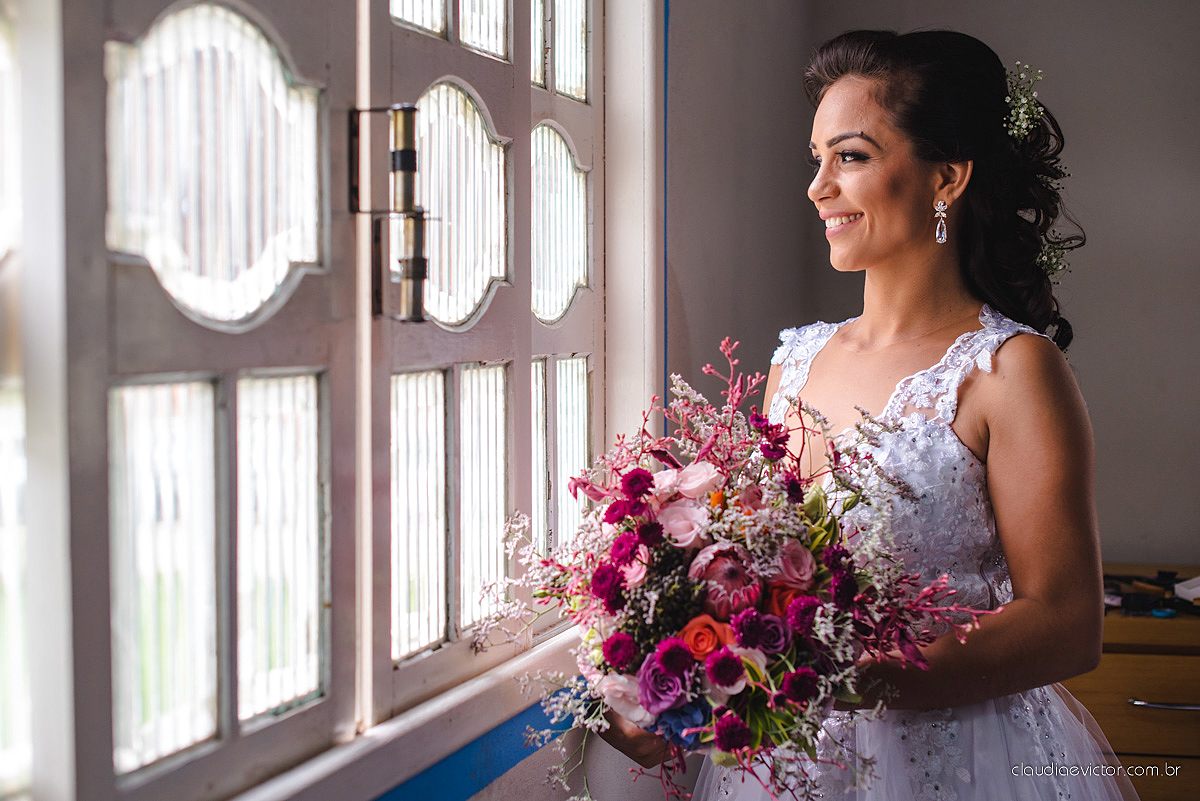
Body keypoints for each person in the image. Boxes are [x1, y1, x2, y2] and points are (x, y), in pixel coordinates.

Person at [604, 29, 1140, 801]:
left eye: (850, 157)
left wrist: (843, 672)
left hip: (958, 760)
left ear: (946, 178)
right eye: (816, 158)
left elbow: (1065, 622)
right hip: (796, 765)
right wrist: (680, 674)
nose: (818, 186)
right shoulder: (793, 363)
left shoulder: (1010, 371)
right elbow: (753, 570)